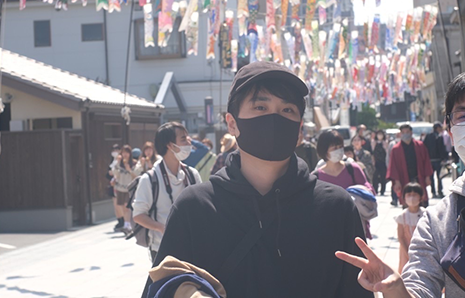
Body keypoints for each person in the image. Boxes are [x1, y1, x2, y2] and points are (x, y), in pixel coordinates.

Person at [141, 61, 371, 297]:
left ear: (299, 128)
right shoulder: (194, 208)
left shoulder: (336, 208)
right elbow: (162, 288)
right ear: (232, 123)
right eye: (260, 107)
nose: (274, 119)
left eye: (287, 110)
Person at [335, 67, 465, 297]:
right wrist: (397, 290)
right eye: (464, 116)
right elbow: (420, 286)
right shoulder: (436, 222)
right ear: (452, 133)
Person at [133, 122, 202, 262]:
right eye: (183, 139)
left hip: (192, 246)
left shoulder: (192, 174)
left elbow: (202, 207)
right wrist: (161, 228)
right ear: (170, 145)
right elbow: (138, 215)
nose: (189, 142)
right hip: (162, 249)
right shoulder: (150, 179)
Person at [314, 130, 374, 238]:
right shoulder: (316, 177)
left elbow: (369, 190)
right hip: (328, 228)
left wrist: (358, 193)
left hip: (354, 225)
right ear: (324, 150)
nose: (338, 151)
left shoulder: (353, 169)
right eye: (334, 148)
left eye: (340, 147)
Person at [386, 124, 432, 207]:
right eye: (403, 132)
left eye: (407, 132)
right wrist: (396, 181)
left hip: (419, 177)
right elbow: (393, 166)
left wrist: (427, 177)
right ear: (400, 134)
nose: (405, 134)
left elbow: (426, 162)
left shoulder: (420, 146)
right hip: (404, 179)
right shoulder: (396, 149)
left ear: (411, 132)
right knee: (407, 202)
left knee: (422, 201)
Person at [394, 182, 425, 274]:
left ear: (421, 197)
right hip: (406, 250)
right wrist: (408, 252)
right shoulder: (402, 216)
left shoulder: (425, 214)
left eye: (415, 195)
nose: (412, 197)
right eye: (409, 195)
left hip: (423, 249)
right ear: (404, 197)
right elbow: (401, 236)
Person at [112, 144, 141, 234]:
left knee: (127, 207)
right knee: (122, 207)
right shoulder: (119, 163)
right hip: (120, 188)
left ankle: (127, 225)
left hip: (129, 188)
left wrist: (129, 169)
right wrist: (117, 163)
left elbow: (137, 174)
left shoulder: (134, 163)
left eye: (127, 152)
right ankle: (127, 224)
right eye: (123, 152)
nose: (125, 154)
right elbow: (115, 173)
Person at [422, 122, 448, 198]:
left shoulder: (428, 136)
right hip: (438, 160)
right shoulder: (439, 137)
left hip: (429, 160)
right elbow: (442, 149)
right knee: (439, 177)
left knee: (431, 177)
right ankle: (440, 191)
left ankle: (433, 192)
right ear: (437, 128)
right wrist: (444, 158)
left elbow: (424, 147)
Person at [107, 143, 124, 232]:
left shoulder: (121, 160)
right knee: (115, 204)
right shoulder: (112, 161)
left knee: (121, 204)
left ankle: (124, 220)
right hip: (113, 184)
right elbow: (108, 172)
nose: (115, 152)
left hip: (121, 184)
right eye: (113, 150)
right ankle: (119, 220)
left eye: (117, 150)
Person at [371, 130, 388, 195]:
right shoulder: (374, 142)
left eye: (381, 134)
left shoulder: (385, 142)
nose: (380, 136)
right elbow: (372, 152)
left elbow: (386, 151)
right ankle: (375, 189)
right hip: (376, 162)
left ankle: (382, 190)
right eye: (378, 134)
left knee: (383, 177)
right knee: (375, 176)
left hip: (383, 162)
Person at [387, 132, 401, 206]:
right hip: (393, 166)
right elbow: (388, 155)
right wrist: (388, 166)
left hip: (402, 166)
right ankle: (394, 199)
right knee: (394, 183)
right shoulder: (392, 144)